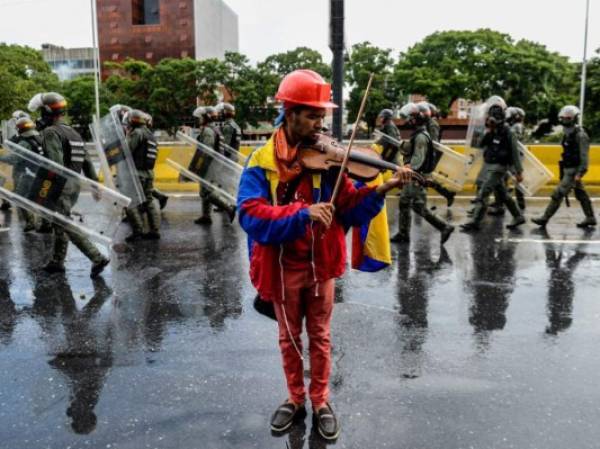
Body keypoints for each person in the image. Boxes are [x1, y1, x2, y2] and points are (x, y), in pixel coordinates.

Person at [237, 69, 413, 440]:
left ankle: (320, 401)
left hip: (322, 269)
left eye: (323, 116)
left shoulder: (330, 162)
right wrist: (301, 214)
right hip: (282, 267)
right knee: (289, 339)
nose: (321, 125)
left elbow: (348, 207)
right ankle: (295, 398)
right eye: (313, 115)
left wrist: (382, 190)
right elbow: (250, 215)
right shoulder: (261, 161)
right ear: (291, 112)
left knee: (320, 336)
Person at [28, 92, 109, 278]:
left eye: (41, 112)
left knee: (64, 222)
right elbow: (87, 162)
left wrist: (43, 186)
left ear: (47, 112)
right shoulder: (74, 133)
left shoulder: (50, 132)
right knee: (59, 221)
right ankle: (57, 262)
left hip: (60, 184)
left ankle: (97, 257)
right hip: (74, 184)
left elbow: (54, 164)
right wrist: (95, 185)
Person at [391, 103, 455, 245]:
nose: (408, 121)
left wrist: (408, 170)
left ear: (416, 119)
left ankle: (443, 226)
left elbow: (418, 159)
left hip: (416, 176)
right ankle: (404, 233)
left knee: (411, 204)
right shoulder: (418, 135)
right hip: (416, 176)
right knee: (412, 204)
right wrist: (404, 146)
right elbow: (413, 150)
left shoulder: (421, 136)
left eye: (410, 118)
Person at [460, 96, 525, 232]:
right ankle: (518, 216)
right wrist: (487, 131)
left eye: (493, 117)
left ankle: (475, 222)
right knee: (503, 194)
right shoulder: (492, 131)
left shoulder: (508, 132)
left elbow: (514, 153)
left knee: (484, 192)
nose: (491, 119)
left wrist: (518, 172)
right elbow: (480, 144)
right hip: (489, 165)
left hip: (499, 167)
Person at [531, 106, 596, 228]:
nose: (565, 120)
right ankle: (590, 217)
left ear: (574, 118)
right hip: (567, 169)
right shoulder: (568, 133)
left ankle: (545, 218)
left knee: (558, 193)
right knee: (581, 194)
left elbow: (584, 156)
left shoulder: (581, 135)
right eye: (564, 117)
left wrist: (580, 173)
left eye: (568, 118)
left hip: (574, 171)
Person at [123, 109, 161, 241]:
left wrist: (127, 135)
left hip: (136, 173)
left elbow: (126, 150)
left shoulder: (136, 133)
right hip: (149, 173)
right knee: (149, 201)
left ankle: (137, 231)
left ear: (132, 120)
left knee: (130, 201)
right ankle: (154, 230)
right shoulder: (150, 134)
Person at [3, 116, 44, 231]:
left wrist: (1, 158)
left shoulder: (25, 142)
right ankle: (45, 224)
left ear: (20, 130)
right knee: (41, 199)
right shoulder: (40, 138)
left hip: (29, 173)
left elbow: (14, 158)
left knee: (20, 197)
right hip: (41, 173)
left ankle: (31, 222)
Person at [489, 106, 527, 215]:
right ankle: (500, 202)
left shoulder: (516, 127)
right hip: (509, 158)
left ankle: (517, 203)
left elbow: (513, 142)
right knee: (503, 181)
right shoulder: (512, 126)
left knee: (515, 180)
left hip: (514, 158)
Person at [418, 101, 456, 207]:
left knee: (424, 178)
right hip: (426, 154)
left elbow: (434, 142)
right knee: (425, 178)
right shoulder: (426, 123)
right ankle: (447, 194)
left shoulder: (432, 124)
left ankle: (421, 202)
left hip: (431, 155)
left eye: (423, 112)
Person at [192, 106, 220, 225]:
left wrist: (199, 165)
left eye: (200, 118)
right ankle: (206, 216)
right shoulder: (212, 129)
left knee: (206, 192)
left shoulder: (208, 131)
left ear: (206, 117)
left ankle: (229, 209)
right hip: (211, 165)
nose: (198, 120)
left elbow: (206, 150)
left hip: (208, 165)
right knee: (204, 191)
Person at [143, 112, 169, 210]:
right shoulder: (149, 134)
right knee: (145, 188)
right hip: (147, 166)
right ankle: (160, 197)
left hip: (143, 166)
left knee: (142, 188)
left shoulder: (141, 133)